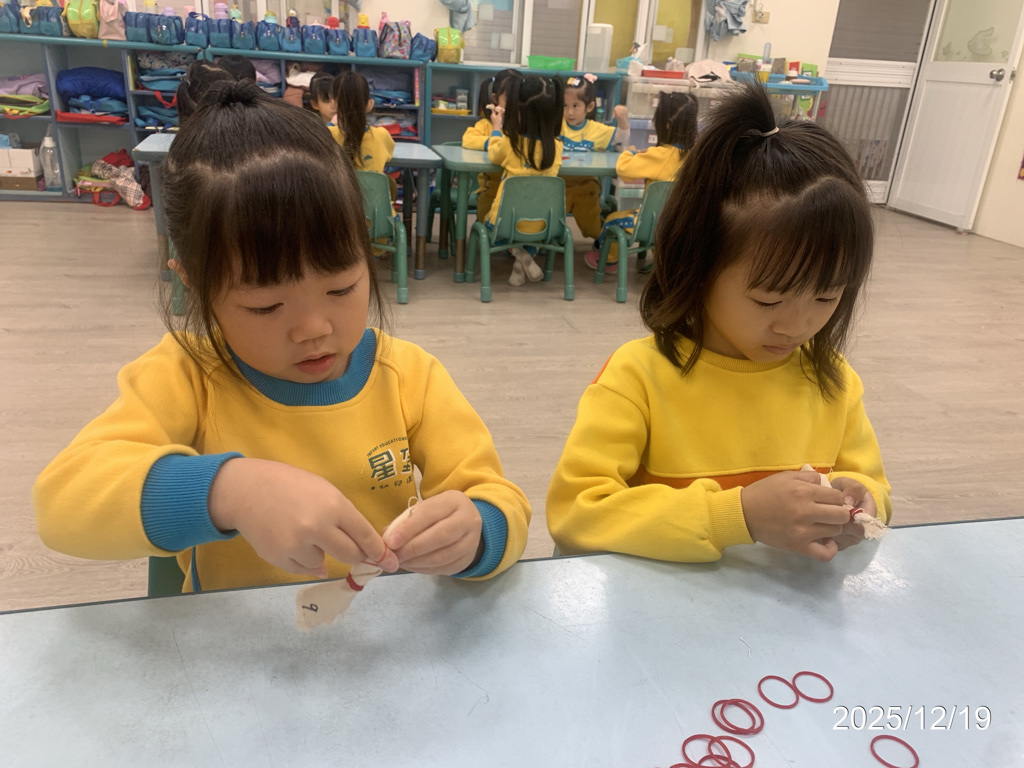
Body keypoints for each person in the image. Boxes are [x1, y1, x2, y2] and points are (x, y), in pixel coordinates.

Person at [34, 81, 531, 593]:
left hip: (382, 632)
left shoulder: (408, 376)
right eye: (266, 306)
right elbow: (61, 503)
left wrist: (478, 533)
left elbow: (502, 501)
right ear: (195, 285)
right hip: (237, 637)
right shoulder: (187, 376)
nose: (315, 329)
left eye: (341, 289)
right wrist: (227, 492)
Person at [547, 82, 891, 564]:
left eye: (826, 296)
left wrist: (864, 502)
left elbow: (873, 486)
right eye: (768, 300)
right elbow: (574, 515)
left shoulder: (834, 382)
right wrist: (737, 516)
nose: (796, 325)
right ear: (699, 266)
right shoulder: (638, 379)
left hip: (784, 604)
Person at [586, 91, 698, 274]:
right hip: (682, 224)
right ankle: (663, 265)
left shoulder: (658, 155)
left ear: (667, 125)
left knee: (612, 219)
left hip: (653, 225)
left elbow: (624, 170)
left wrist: (630, 151)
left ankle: (609, 261)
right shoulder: (697, 155)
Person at [485, 74, 564, 286]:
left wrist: (496, 129)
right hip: (543, 224)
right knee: (532, 233)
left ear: (517, 111)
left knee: (488, 224)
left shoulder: (511, 143)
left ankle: (518, 252)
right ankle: (522, 260)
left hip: (505, 223)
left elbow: (493, 155)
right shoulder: (557, 147)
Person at [560, 73, 629, 242]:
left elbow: (621, 136)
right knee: (550, 224)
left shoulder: (595, 129)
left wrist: (622, 119)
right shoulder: (556, 124)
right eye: (565, 105)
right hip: (557, 185)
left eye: (576, 105)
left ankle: (604, 230)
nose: (570, 112)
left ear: (589, 106)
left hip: (585, 185)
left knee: (591, 229)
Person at [461, 68, 522, 223]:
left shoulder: (524, 125)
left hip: (520, 188)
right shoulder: (487, 124)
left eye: (520, 100)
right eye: (509, 100)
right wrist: (494, 140)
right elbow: (468, 139)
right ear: (495, 99)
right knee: (486, 222)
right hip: (491, 188)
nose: (515, 105)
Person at [330, 70, 394, 174]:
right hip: (372, 185)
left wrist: (330, 124)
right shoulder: (382, 135)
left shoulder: (327, 135)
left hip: (338, 185)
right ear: (370, 104)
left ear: (334, 104)